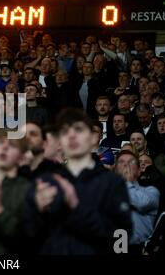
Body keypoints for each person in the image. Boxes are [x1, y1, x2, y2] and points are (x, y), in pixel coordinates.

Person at [26, 108, 132, 254]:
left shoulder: (112, 183)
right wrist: (36, 211)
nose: (71, 136)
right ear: (60, 142)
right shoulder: (44, 180)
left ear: (93, 138)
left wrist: (76, 207)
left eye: (79, 130)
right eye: (65, 132)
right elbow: (28, 237)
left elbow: (122, 240)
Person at [114, 150, 159, 254]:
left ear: (139, 171)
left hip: (141, 248)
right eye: (121, 162)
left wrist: (127, 182)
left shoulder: (151, 191)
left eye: (131, 162)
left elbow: (142, 203)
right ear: (115, 171)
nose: (126, 165)